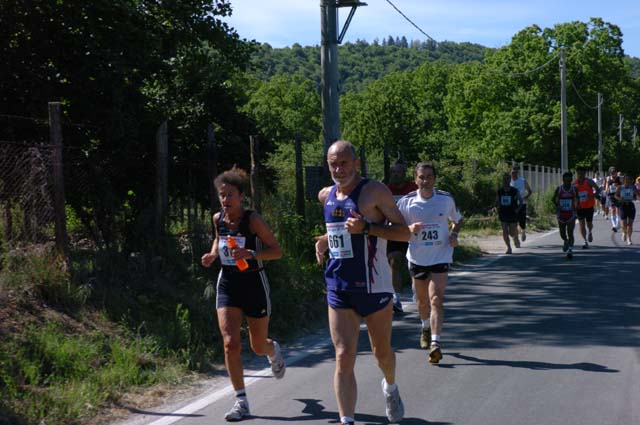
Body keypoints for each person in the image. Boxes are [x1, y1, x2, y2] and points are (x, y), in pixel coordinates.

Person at [315, 140, 409, 425]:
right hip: (339, 286)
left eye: (344, 163)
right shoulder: (325, 195)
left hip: (374, 285)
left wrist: (368, 227)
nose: (339, 169)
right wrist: (323, 241)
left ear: (356, 163)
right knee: (344, 355)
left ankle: (390, 387)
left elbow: (404, 233)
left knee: (382, 353)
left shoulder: (374, 191)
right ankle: (347, 420)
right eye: (333, 164)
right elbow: (336, 231)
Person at [201, 167, 285, 422]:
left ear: (241, 197)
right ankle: (241, 401)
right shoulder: (218, 219)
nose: (225, 200)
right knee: (230, 343)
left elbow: (277, 250)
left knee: (257, 346)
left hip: (254, 283)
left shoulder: (253, 220)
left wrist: (252, 254)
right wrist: (214, 254)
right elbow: (219, 239)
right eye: (221, 195)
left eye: (230, 195)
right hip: (228, 282)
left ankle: (273, 350)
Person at [396, 162, 463, 364]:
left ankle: (435, 343)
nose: (425, 181)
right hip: (417, 258)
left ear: (435, 179)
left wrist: (454, 234)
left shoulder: (445, 200)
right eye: (421, 177)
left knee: (436, 299)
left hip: (441, 256)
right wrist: (409, 229)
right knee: (422, 301)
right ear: (415, 180)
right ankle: (425, 326)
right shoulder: (406, 203)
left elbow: (458, 220)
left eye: (429, 177)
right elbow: (394, 227)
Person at [386, 161, 418, 313]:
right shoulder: (385, 190)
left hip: (413, 231)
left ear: (404, 174)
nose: (395, 175)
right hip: (394, 232)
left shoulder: (413, 188)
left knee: (414, 264)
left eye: (398, 172)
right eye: (393, 172)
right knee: (394, 262)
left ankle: (418, 293)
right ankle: (396, 299)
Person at [552, 171, 578, 259]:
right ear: (563, 180)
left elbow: (577, 199)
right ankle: (566, 241)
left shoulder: (574, 189)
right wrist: (557, 206)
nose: (567, 183)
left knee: (570, 232)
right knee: (562, 234)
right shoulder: (559, 189)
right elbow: (553, 199)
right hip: (561, 214)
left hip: (571, 214)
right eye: (566, 181)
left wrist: (576, 208)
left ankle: (570, 251)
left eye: (569, 181)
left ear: (571, 180)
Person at [575, 166, 600, 249]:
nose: (580, 175)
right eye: (579, 173)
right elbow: (572, 195)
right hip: (580, 207)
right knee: (581, 224)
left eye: (582, 173)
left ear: (585, 174)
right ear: (577, 174)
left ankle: (590, 231)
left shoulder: (589, 182)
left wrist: (593, 196)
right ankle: (585, 241)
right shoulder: (574, 184)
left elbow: (598, 189)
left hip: (589, 206)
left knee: (589, 224)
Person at [496, 172, 522, 254]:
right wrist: (497, 207)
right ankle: (509, 248)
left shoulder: (514, 191)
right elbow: (497, 202)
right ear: (503, 180)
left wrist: (518, 209)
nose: (506, 181)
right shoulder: (499, 191)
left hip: (512, 213)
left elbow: (521, 201)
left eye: (507, 179)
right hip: (503, 213)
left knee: (512, 232)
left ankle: (515, 237)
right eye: (504, 179)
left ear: (510, 180)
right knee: (504, 231)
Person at [510, 166, 532, 242]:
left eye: (515, 172)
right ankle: (516, 239)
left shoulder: (522, 181)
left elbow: (530, 191)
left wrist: (525, 197)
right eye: (512, 172)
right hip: (512, 205)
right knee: (513, 222)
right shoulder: (509, 182)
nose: (514, 174)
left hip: (522, 204)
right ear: (510, 172)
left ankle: (523, 231)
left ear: (517, 173)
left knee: (522, 220)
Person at [615, 174, 639, 245]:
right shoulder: (620, 187)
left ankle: (629, 239)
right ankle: (624, 232)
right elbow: (615, 195)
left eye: (629, 180)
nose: (627, 181)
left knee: (630, 224)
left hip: (630, 205)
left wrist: (637, 196)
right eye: (626, 180)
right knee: (624, 224)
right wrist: (620, 199)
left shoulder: (632, 187)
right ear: (623, 180)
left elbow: (637, 195)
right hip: (623, 206)